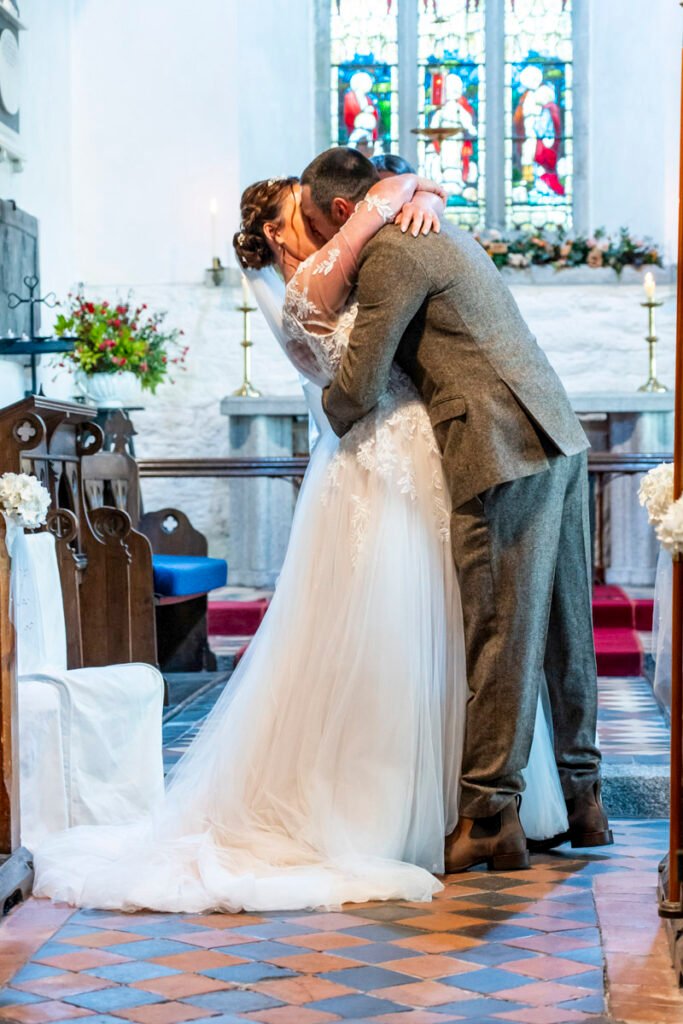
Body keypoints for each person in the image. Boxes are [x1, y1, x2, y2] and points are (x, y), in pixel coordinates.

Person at [32, 159, 566, 915]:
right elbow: (353, 380)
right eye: (295, 217)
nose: (313, 225)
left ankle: (475, 797)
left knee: (464, 620)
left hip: (426, 451)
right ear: (276, 234)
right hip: (374, 461)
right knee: (384, 628)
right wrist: (383, 203)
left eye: (312, 212)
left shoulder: (353, 255)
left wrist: (418, 188)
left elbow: (393, 207)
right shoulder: (309, 288)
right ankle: (389, 805)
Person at [300, 147, 611, 873]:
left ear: (344, 212)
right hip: (553, 432)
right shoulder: (432, 227)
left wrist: (322, 408)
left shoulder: (391, 252)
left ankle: (487, 815)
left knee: (497, 631)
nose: (319, 244)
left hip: (499, 447)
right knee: (565, 629)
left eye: (318, 227)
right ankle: (583, 800)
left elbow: (361, 382)